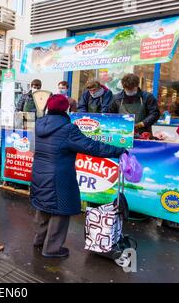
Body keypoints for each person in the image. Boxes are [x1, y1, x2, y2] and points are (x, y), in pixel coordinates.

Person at [31, 95, 126, 258]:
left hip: (39, 173)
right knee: (60, 211)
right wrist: (118, 150)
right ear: (65, 109)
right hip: (59, 177)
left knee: (44, 206)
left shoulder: (39, 124)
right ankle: (52, 249)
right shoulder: (68, 129)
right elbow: (92, 146)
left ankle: (39, 240)